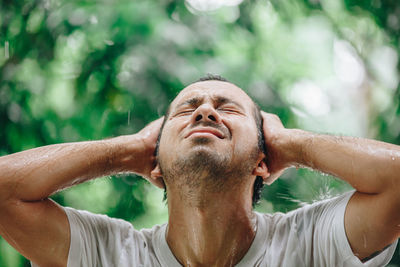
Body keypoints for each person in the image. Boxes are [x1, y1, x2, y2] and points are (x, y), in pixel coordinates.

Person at [0, 75, 399, 267]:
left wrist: (289, 143)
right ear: (154, 165)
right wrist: (129, 150)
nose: (205, 111)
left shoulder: (312, 244)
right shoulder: (108, 255)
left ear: (263, 159)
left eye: (227, 108)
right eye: (186, 111)